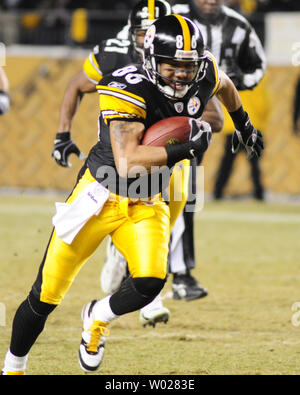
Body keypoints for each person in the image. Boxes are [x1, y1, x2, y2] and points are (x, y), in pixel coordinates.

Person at [2, 14, 264, 375]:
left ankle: (96, 317)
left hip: (147, 196)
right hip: (100, 194)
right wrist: (183, 150)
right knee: (45, 295)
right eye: (172, 65)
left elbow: (226, 86)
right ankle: (13, 366)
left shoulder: (204, 71)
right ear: (151, 59)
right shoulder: (127, 86)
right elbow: (127, 162)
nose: (181, 74)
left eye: (188, 66)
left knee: (151, 281)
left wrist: (245, 124)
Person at [52, 0, 223, 319]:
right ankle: (125, 258)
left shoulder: (185, 59)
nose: (148, 39)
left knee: (180, 208)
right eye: (143, 33)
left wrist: (192, 123)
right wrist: (63, 134)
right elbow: (76, 85)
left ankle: (167, 280)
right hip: (123, 155)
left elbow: (215, 116)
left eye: (154, 33)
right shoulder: (112, 52)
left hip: (171, 157)